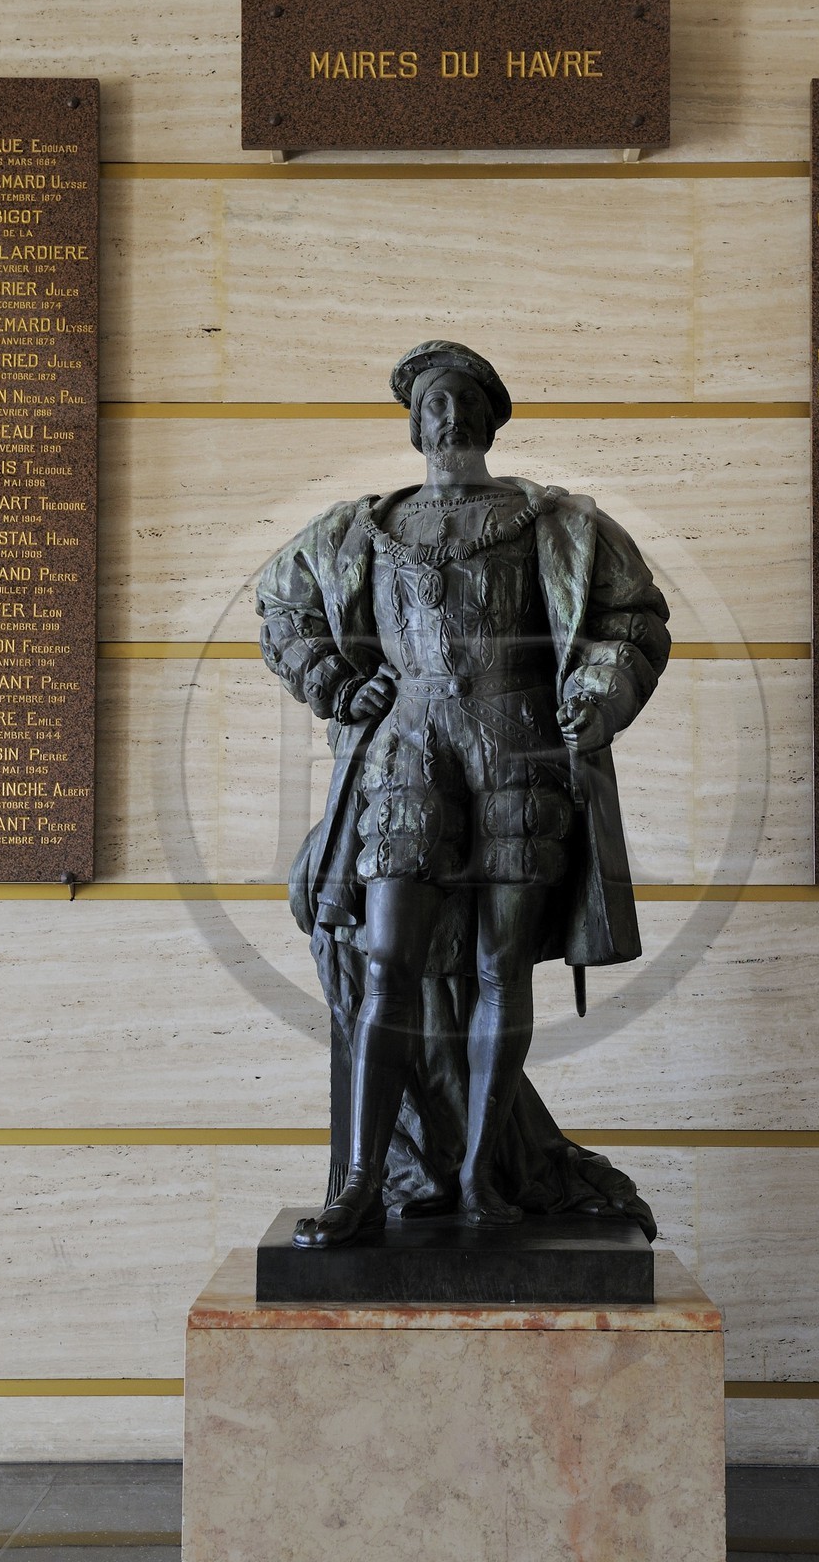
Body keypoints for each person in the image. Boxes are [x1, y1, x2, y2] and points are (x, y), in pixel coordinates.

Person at [256, 341, 670, 1248]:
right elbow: (281, 608)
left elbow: (631, 620)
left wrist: (598, 691)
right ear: (413, 425)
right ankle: (363, 1180)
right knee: (385, 963)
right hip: (410, 752)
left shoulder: (556, 523)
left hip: (520, 753)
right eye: (430, 403)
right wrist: (333, 681)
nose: (444, 417)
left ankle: (485, 1172)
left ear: (486, 418)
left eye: (459, 400)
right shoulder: (356, 528)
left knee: (498, 968)